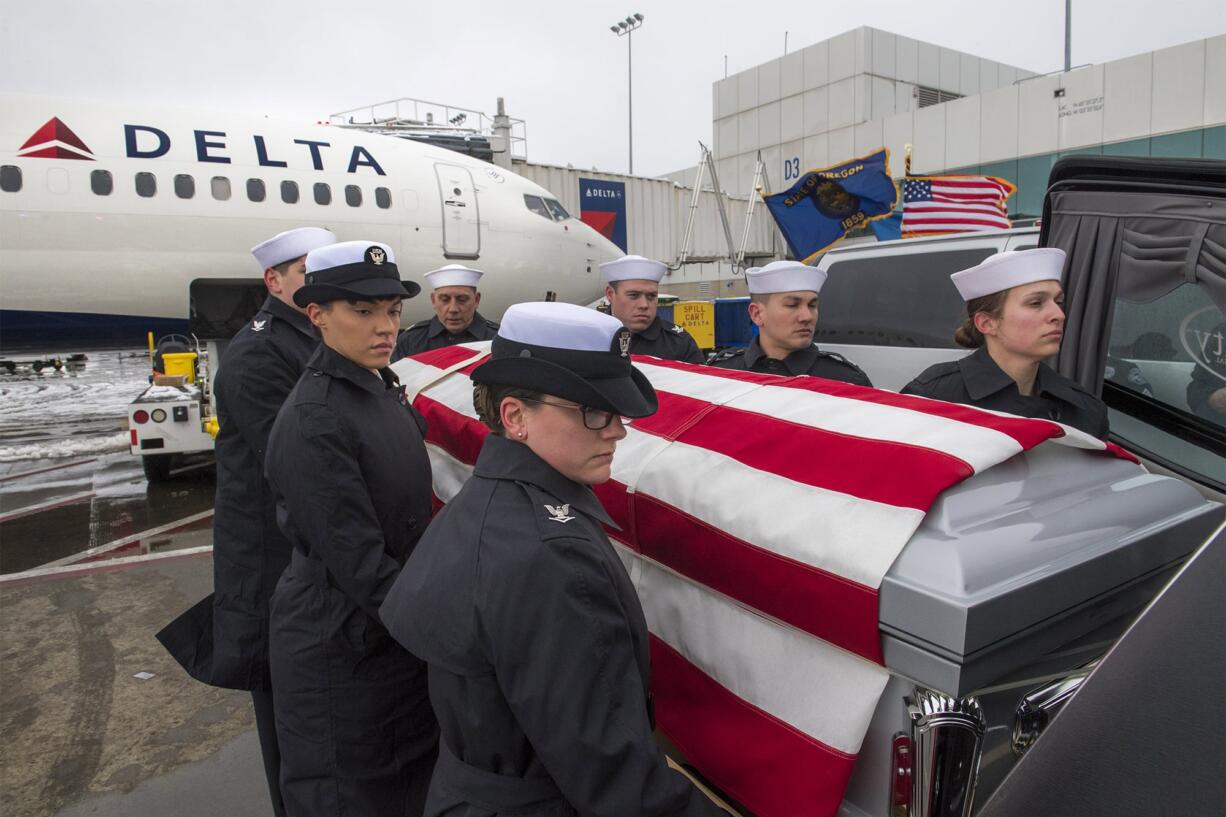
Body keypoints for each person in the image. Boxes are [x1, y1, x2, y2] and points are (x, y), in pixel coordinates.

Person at [380, 302, 725, 817]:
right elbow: (613, 776)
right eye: (593, 411)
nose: (617, 431)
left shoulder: (484, 504)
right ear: (515, 417)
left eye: (616, 412)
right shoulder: (551, 555)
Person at [155, 225, 336, 817]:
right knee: (288, 719)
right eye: (307, 271)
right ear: (275, 280)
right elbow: (300, 461)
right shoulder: (259, 354)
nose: (318, 283)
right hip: (270, 563)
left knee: (318, 717)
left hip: (298, 552)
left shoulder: (312, 335)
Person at [263, 241, 438, 817]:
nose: (385, 327)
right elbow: (360, 563)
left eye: (391, 311)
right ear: (317, 315)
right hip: (342, 650)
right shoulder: (317, 417)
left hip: (384, 636)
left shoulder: (374, 385)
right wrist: (447, 633)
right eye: (363, 312)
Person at [901, 248, 1109, 439]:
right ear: (987, 323)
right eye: (1036, 303)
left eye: (1059, 302)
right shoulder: (934, 396)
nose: (1059, 315)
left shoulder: (1086, 409)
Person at [708, 260, 872, 385]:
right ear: (757, 314)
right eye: (792, 305)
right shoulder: (721, 375)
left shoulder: (846, 380)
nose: (807, 316)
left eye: (812, 305)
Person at [601, 254, 705, 363]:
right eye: (634, 295)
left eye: (651, 296)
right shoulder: (591, 337)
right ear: (610, 294)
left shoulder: (678, 343)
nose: (644, 305)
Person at [391, 263, 498, 361]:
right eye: (445, 299)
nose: (453, 309)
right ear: (433, 300)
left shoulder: (498, 339)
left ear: (476, 300)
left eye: (462, 299)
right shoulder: (411, 340)